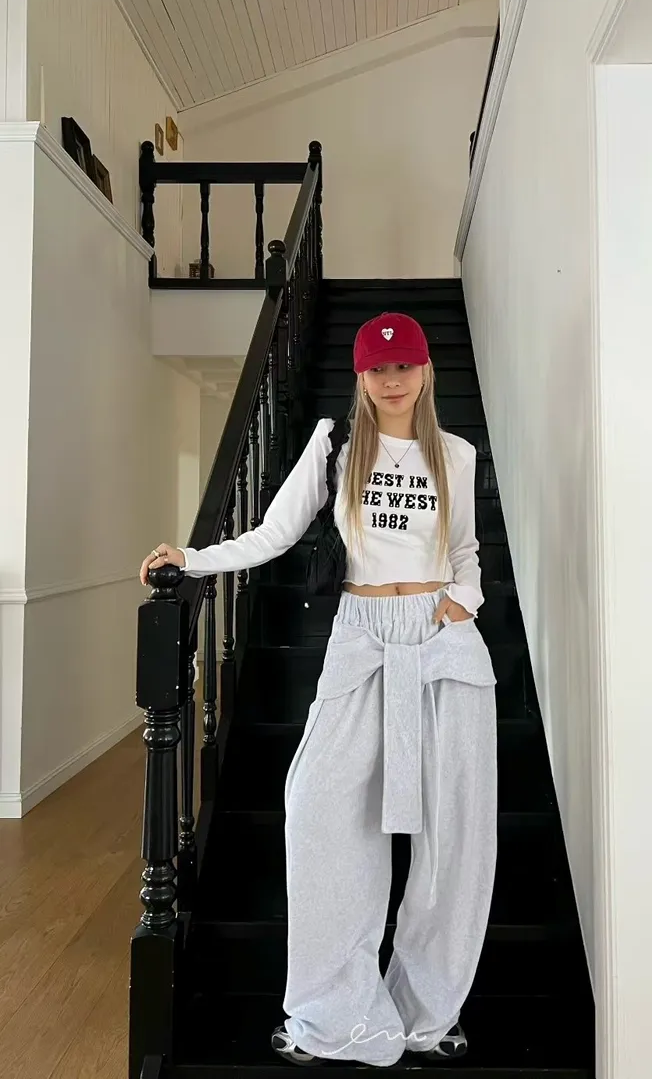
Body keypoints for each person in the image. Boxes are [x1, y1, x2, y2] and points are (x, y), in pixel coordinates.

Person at [140, 312, 498, 1069]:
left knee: (454, 833)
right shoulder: (335, 445)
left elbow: (465, 549)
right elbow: (274, 532)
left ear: (426, 371)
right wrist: (193, 558)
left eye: (405, 366)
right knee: (320, 810)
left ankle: (428, 1012)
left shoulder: (457, 454)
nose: (393, 380)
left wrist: (463, 602)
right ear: (361, 376)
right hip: (361, 636)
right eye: (378, 368)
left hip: (442, 642)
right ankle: (338, 1012)